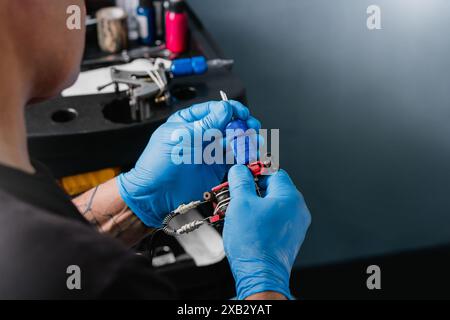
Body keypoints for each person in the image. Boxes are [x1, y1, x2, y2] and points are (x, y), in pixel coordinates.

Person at [0, 0, 311, 299]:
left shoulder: (18, 195)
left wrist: (135, 199)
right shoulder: (109, 282)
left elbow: (54, 246)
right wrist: (265, 282)